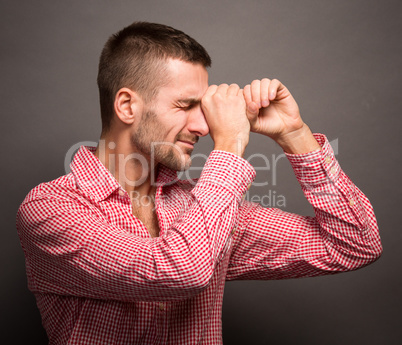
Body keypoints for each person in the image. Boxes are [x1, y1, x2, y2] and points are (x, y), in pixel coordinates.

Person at [16, 22, 382, 345]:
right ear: (127, 105)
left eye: (202, 109)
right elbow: (177, 271)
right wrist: (229, 147)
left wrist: (294, 134)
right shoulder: (50, 209)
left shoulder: (207, 208)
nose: (203, 127)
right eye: (184, 105)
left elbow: (355, 244)